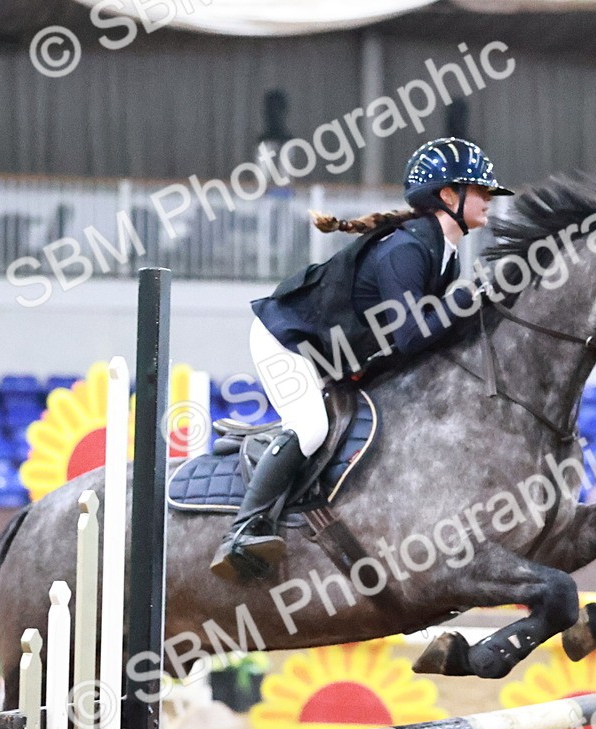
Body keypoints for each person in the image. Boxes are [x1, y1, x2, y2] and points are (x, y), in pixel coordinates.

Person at [210, 137, 514, 579]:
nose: (489, 199)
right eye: (480, 190)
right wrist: (468, 299)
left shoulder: (442, 254)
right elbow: (410, 334)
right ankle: (243, 529)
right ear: (449, 196)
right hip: (287, 342)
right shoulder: (407, 250)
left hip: (337, 353)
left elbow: (426, 334)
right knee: (311, 425)